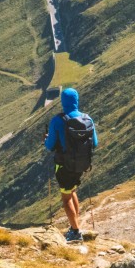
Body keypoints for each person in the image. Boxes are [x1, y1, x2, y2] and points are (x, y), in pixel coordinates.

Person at [43, 87, 98, 242]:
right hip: (81, 164)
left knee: (66, 196)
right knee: (72, 191)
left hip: (64, 165)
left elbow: (50, 145)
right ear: (76, 100)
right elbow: (95, 142)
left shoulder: (58, 120)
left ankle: (75, 232)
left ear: (63, 101)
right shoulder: (87, 119)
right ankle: (76, 224)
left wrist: (47, 138)